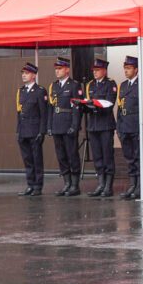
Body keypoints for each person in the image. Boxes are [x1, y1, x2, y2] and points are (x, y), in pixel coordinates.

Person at [117, 56, 143, 200]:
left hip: (137, 127)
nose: (126, 71)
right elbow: (120, 109)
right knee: (129, 158)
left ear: (136, 69)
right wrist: (119, 128)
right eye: (125, 68)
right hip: (125, 127)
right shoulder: (123, 85)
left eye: (129, 68)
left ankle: (140, 187)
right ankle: (132, 185)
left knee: (139, 158)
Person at [81, 58, 117, 198]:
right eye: (94, 71)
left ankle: (108, 186)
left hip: (105, 125)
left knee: (107, 156)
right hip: (93, 125)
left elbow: (109, 103)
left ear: (104, 71)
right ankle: (100, 184)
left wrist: (94, 104)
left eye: (97, 70)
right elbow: (88, 102)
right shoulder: (90, 85)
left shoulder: (110, 84)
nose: (94, 73)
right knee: (97, 156)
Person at [48, 57, 83, 197]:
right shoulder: (54, 86)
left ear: (67, 69)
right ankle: (66, 183)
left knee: (72, 154)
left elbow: (77, 108)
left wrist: (75, 126)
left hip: (68, 123)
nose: (57, 71)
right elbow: (51, 107)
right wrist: (49, 126)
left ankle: (75, 185)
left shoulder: (74, 85)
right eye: (56, 69)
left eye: (60, 69)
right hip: (57, 124)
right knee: (61, 155)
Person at [15, 62, 48, 197]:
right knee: (27, 159)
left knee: (36, 159)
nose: (24, 75)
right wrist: (18, 130)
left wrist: (42, 131)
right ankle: (30, 184)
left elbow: (43, 113)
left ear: (34, 75)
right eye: (23, 73)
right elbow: (19, 112)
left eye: (26, 73)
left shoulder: (40, 91)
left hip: (35, 130)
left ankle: (38, 186)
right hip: (23, 130)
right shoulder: (21, 91)